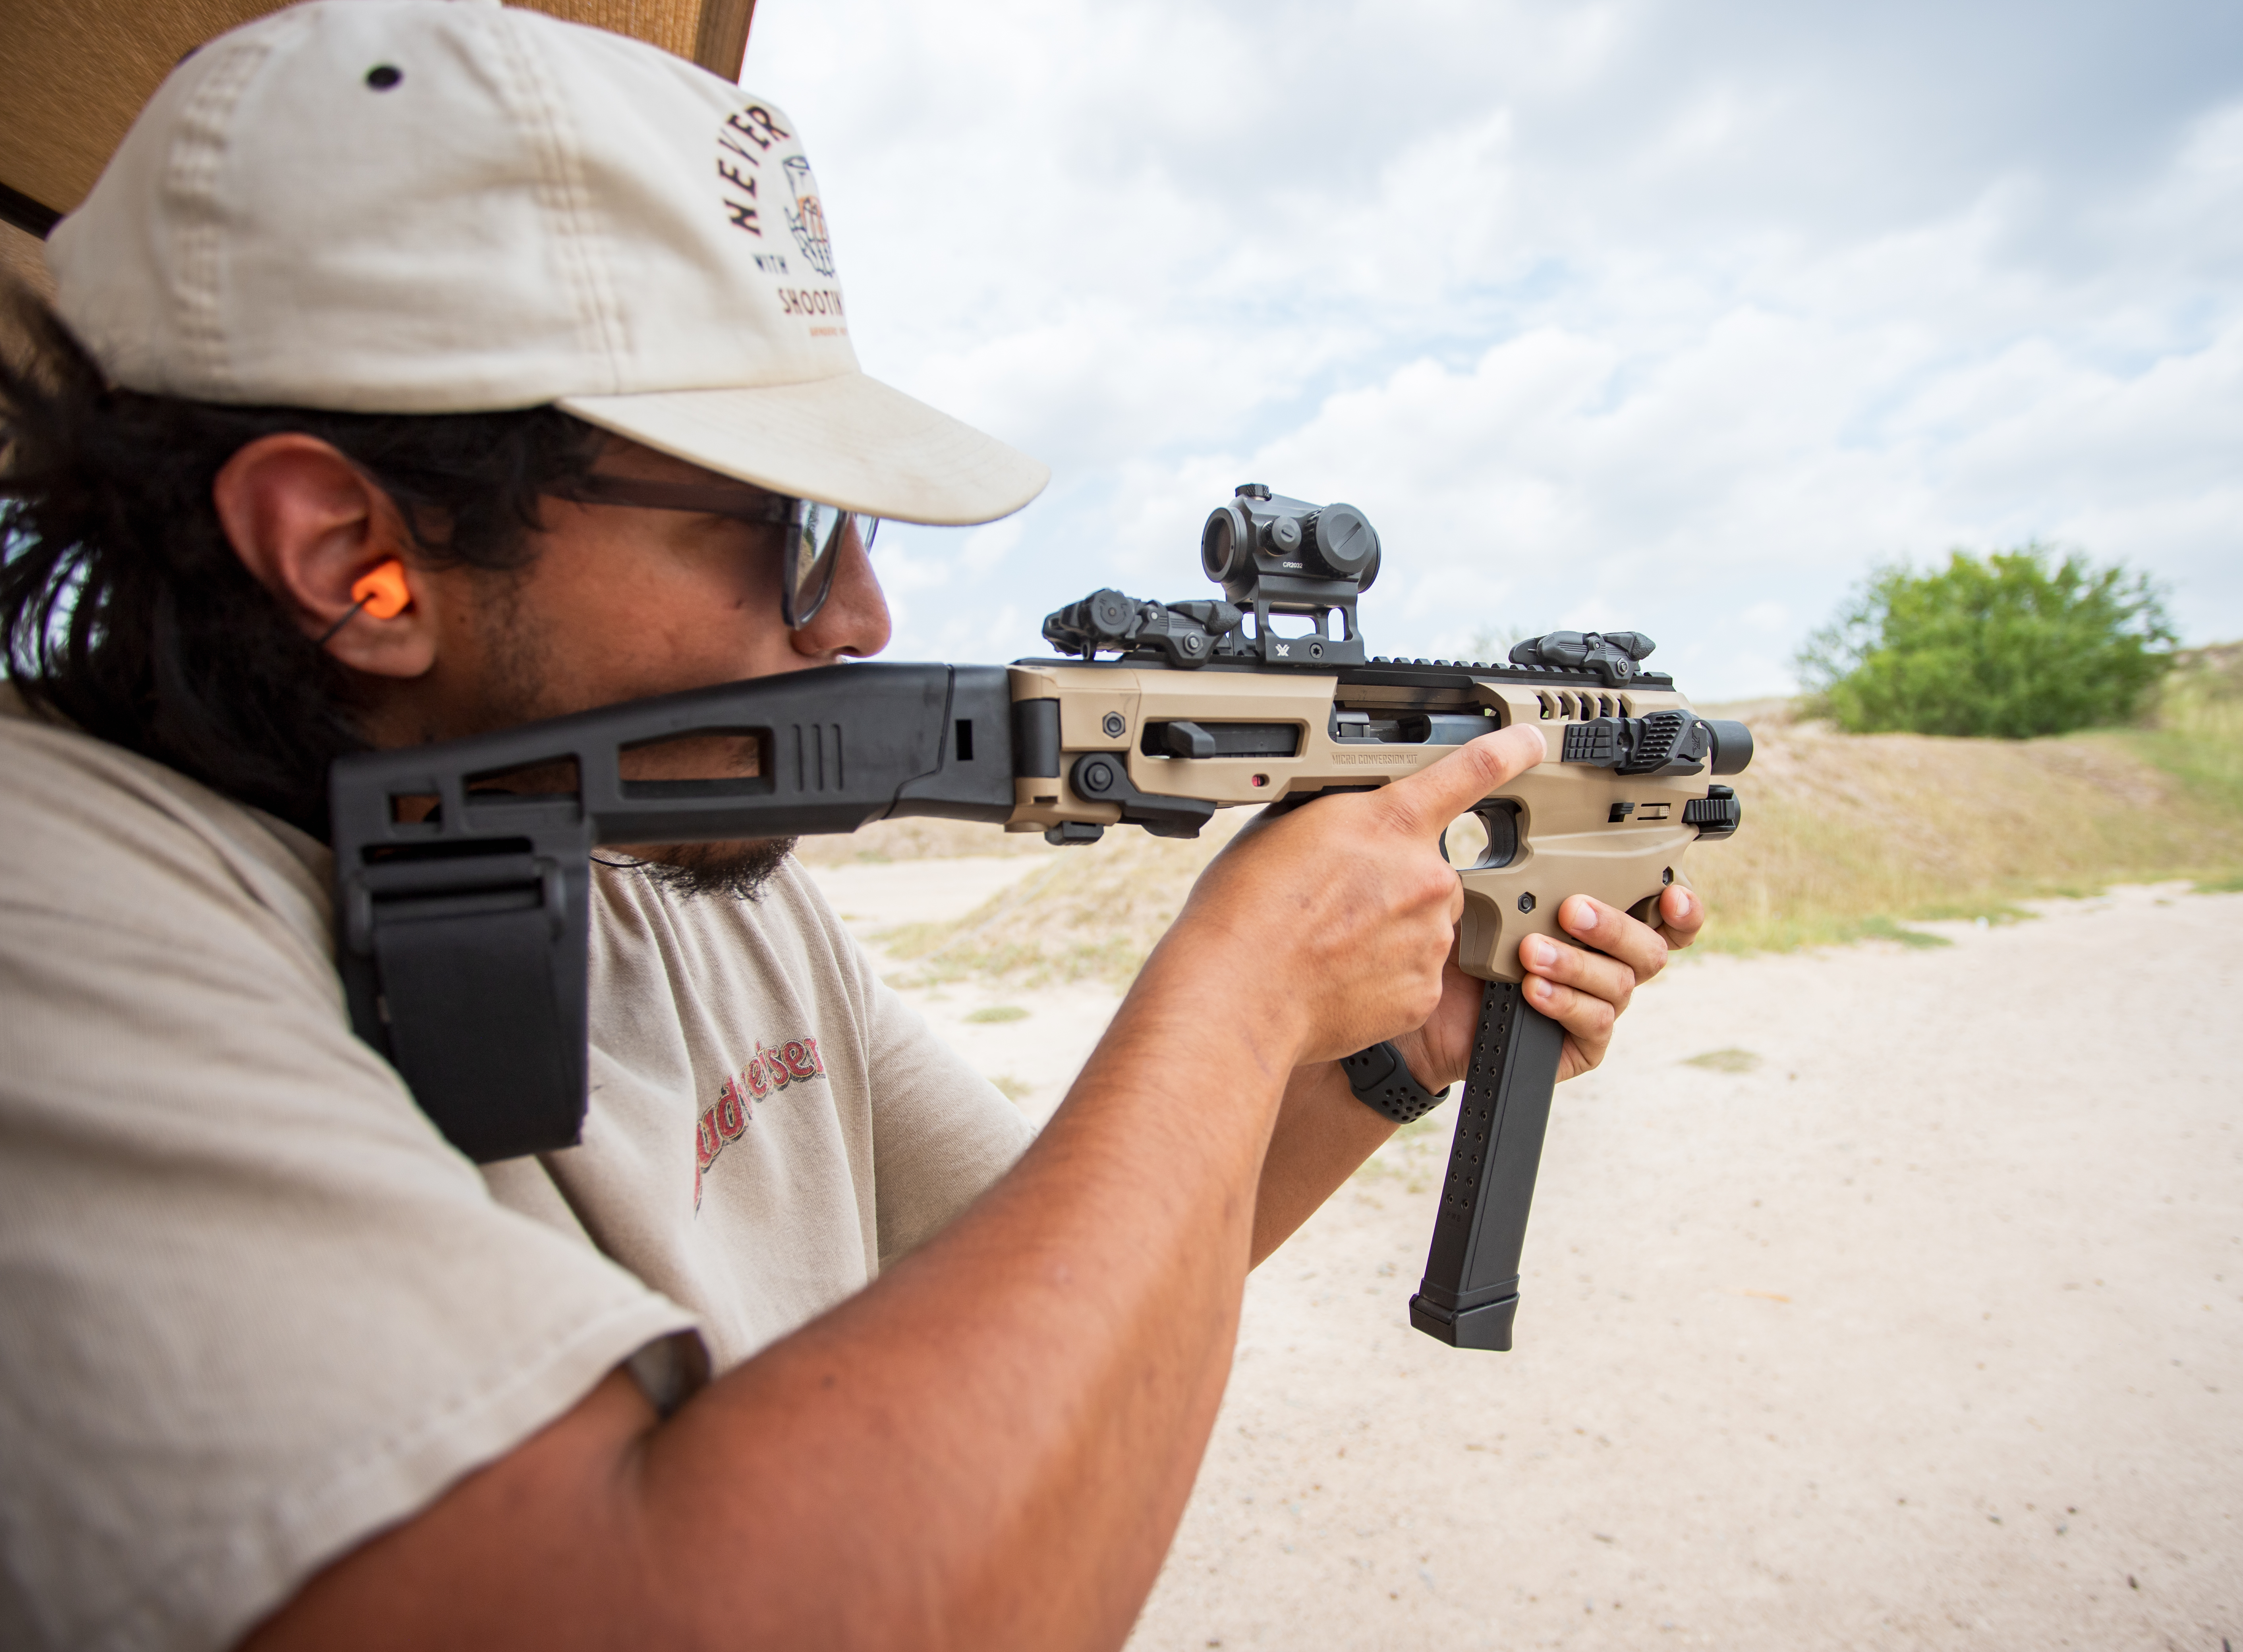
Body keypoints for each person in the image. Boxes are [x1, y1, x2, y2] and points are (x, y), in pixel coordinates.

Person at [0, 5, 1704, 1649]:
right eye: (786, 522)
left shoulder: (668, 849)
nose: (866, 612)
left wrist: (1388, 1053)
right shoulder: (55, 918)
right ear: (346, 556)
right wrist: (1241, 983)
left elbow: (1050, 1285)